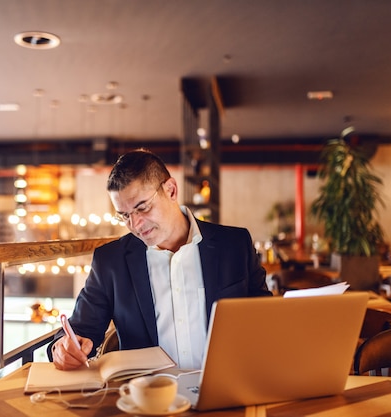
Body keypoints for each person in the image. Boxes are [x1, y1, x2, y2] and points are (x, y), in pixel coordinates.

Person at [50, 149, 271, 370]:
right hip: (147, 397)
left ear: (171, 190)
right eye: (125, 215)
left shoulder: (234, 244)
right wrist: (64, 349)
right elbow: (79, 331)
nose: (135, 224)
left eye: (142, 208)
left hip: (227, 388)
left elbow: (265, 318)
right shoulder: (111, 261)